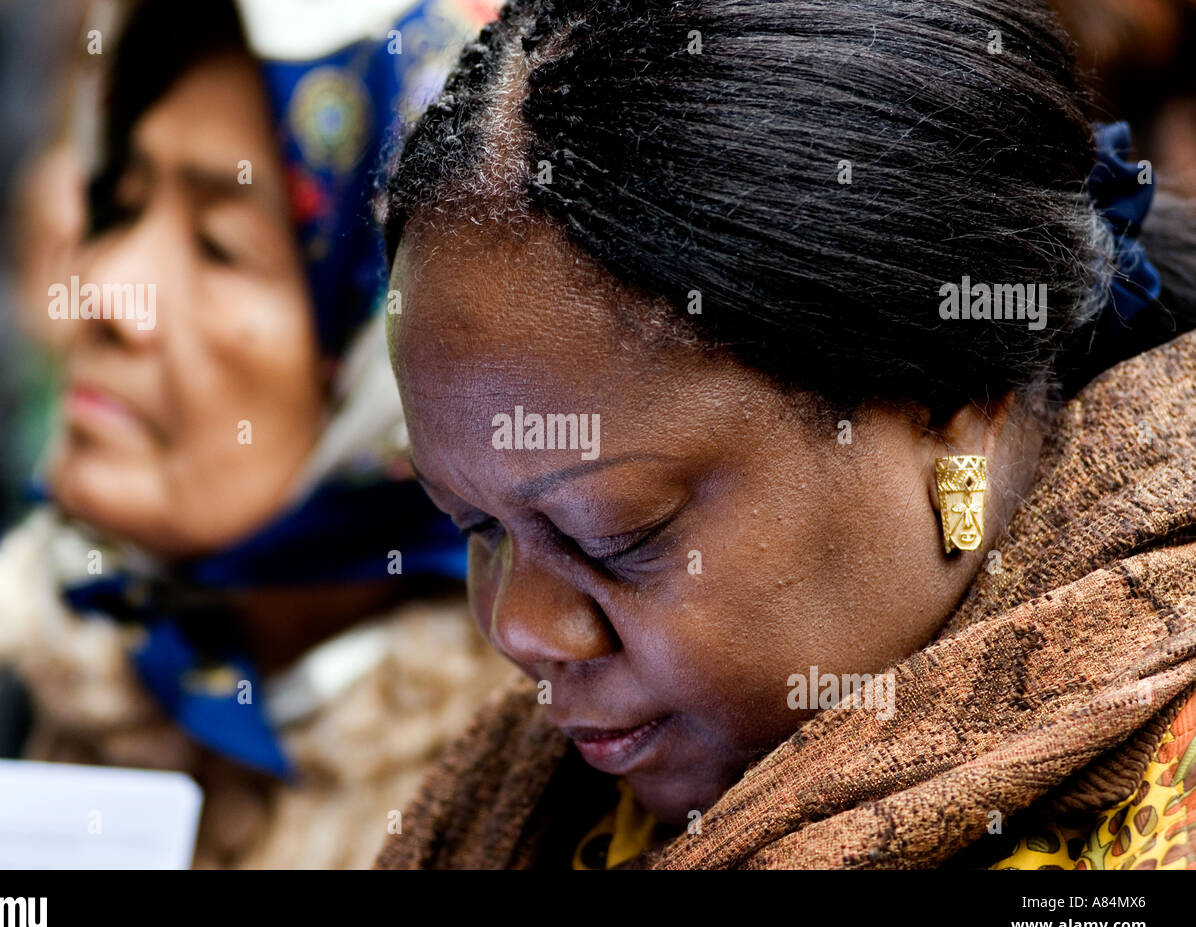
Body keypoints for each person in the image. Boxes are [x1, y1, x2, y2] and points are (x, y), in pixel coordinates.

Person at [374, 0, 1196, 869]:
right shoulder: (507, 814)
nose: (520, 629)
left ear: (952, 399)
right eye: (475, 527)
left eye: (618, 533)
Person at [0, 0, 512, 869]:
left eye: (218, 246)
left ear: (394, 342)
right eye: (120, 207)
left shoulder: (528, 796)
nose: (104, 292)